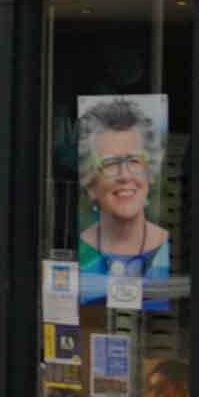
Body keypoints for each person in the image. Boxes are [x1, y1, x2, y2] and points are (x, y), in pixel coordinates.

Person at [77, 98, 170, 300]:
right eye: (109, 163)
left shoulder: (166, 247)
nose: (124, 175)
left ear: (149, 173)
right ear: (90, 182)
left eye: (135, 161)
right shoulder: (82, 254)